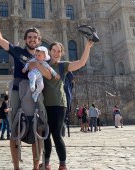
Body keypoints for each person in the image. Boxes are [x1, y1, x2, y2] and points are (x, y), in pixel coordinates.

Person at [0, 10, 51, 170]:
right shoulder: (18, 51)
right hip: (18, 89)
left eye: (35, 37)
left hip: (36, 92)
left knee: (38, 127)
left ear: (39, 40)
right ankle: (16, 166)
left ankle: (35, 166)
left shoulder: (43, 57)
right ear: (26, 40)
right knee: (15, 127)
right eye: (29, 37)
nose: (32, 39)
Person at [42, 40, 94, 170]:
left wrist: (87, 46)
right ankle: (46, 162)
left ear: (61, 53)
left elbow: (81, 63)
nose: (56, 53)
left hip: (59, 104)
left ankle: (62, 164)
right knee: (45, 134)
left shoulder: (63, 66)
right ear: (49, 51)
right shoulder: (43, 64)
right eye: (54, 50)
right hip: (44, 105)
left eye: (59, 51)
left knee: (56, 134)